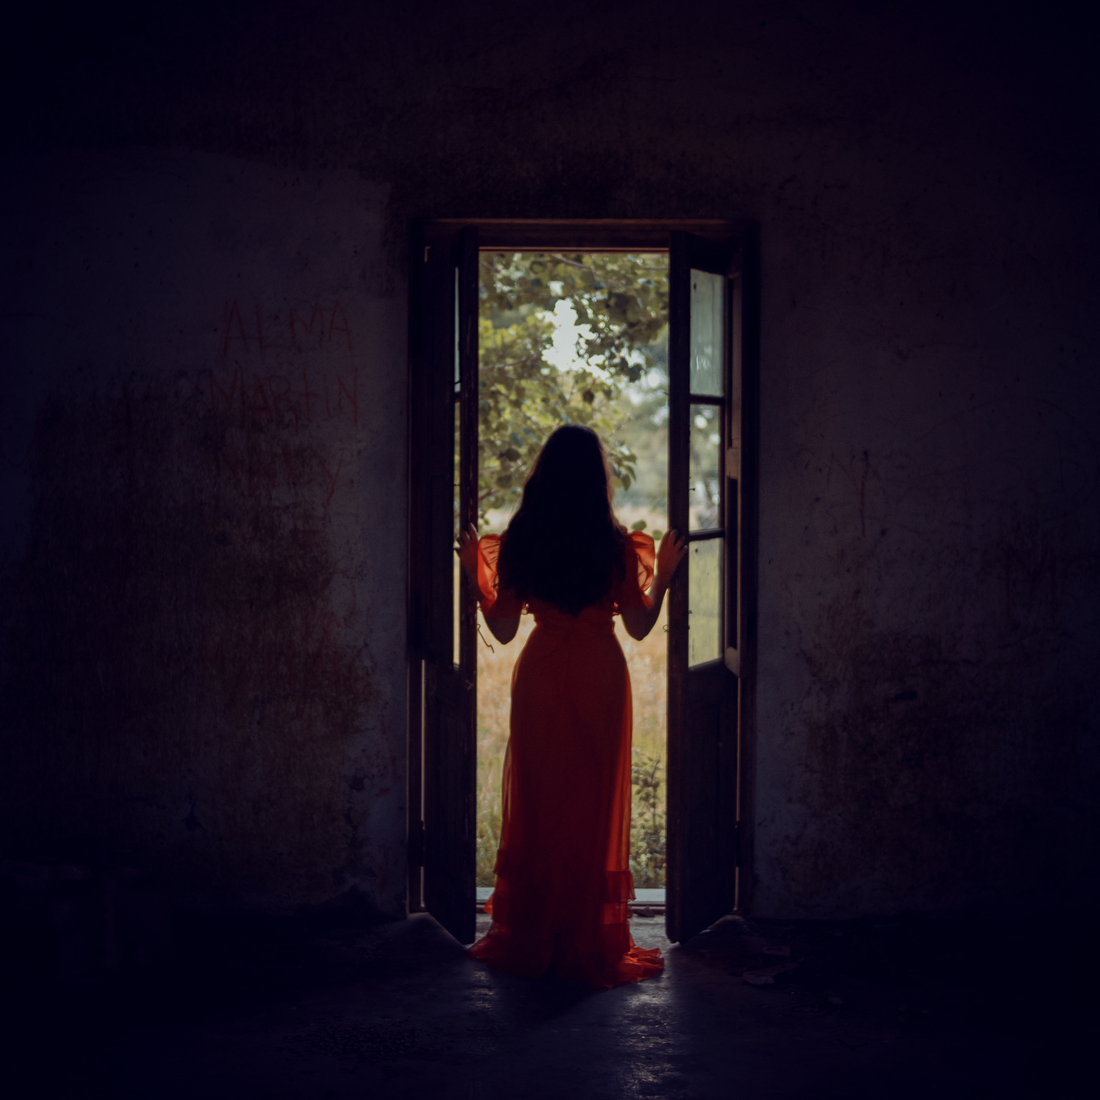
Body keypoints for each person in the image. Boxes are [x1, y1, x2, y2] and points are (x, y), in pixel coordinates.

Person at [457, 424, 686, 990]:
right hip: (599, 677)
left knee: (538, 802)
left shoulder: (523, 541)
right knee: (591, 804)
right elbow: (638, 627)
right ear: (598, 480)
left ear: (543, 476)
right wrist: (666, 580)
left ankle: (538, 930)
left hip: (539, 677)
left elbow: (505, 632)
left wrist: (475, 582)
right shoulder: (613, 544)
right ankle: (585, 932)